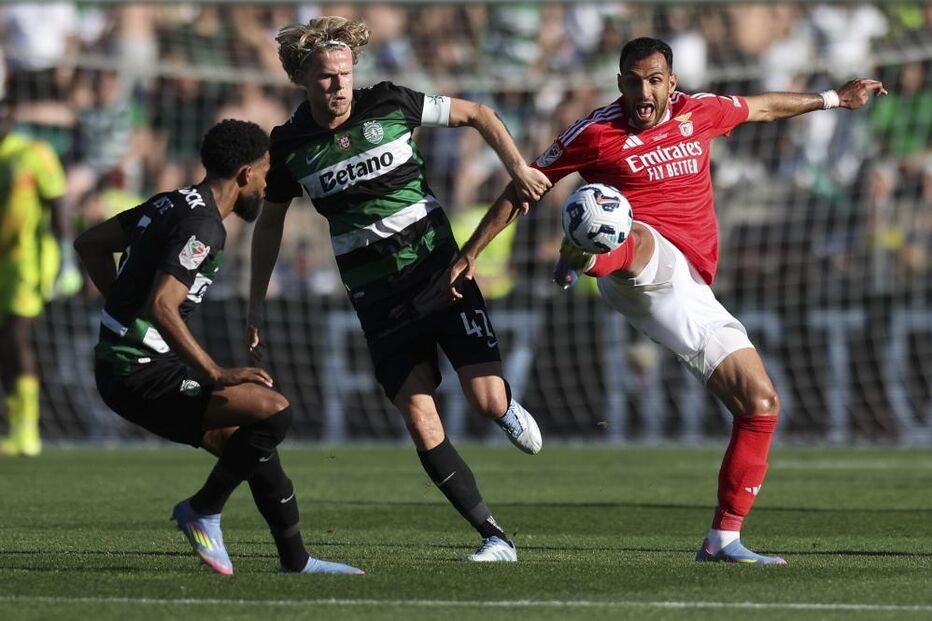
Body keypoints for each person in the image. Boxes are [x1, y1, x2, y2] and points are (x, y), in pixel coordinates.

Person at [450, 37, 887, 565]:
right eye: (634, 81)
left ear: (671, 83)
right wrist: (471, 251)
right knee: (634, 232)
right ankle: (588, 255)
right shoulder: (593, 133)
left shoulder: (699, 112)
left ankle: (723, 539)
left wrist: (835, 99)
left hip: (691, 284)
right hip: (637, 265)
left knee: (760, 404)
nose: (644, 92)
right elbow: (526, 185)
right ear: (620, 83)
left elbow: (764, 107)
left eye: (654, 81)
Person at [248, 16, 551, 562]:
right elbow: (269, 225)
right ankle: (494, 536)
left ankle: (505, 406)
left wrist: (518, 169)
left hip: (440, 271)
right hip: (378, 300)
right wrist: (255, 303)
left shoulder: (391, 101)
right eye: (326, 77)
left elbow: (479, 114)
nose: (338, 85)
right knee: (419, 416)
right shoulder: (289, 144)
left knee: (485, 401)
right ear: (302, 79)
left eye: (344, 73)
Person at [74, 119, 363, 576]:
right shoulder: (204, 226)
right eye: (265, 172)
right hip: (137, 372)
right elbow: (163, 306)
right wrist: (215, 373)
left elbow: (90, 243)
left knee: (253, 449)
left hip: (128, 364)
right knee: (274, 411)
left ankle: (297, 561)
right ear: (246, 174)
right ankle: (203, 510)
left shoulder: (172, 201)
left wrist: (120, 305)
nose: (267, 185)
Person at [0, 98, 80, 457]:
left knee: (16, 337)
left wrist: (66, 259)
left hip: (28, 265)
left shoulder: (33, 152)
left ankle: (28, 430)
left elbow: (59, 201)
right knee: (5, 344)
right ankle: (15, 426)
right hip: (3, 263)